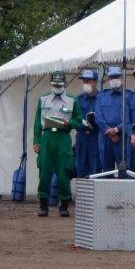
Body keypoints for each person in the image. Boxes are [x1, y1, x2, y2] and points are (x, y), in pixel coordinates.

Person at [33, 71, 83, 217]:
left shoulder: (72, 100)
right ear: (51, 84)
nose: (57, 87)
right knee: (44, 171)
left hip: (63, 137)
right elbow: (37, 122)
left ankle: (64, 206)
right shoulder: (43, 99)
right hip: (47, 136)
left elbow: (80, 120)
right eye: (54, 84)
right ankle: (43, 205)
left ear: (64, 84)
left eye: (59, 84)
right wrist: (36, 141)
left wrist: (70, 123)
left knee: (64, 172)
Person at [95, 66, 130, 173]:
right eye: (111, 78)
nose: (114, 80)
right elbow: (98, 117)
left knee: (124, 170)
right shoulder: (102, 96)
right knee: (106, 171)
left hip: (122, 137)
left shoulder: (129, 95)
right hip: (105, 138)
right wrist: (110, 132)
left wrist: (116, 130)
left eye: (116, 77)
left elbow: (129, 117)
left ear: (122, 78)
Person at [74, 69, 101, 178]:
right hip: (81, 137)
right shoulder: (79, 98)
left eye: (88, 81)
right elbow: (74, 117)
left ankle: (96, 194)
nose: (86, 84)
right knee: (80, 166)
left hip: (96, 137)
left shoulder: (101, 97)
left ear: (95, 82)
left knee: (96, 168)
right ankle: (81, 193)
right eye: (84, 81)